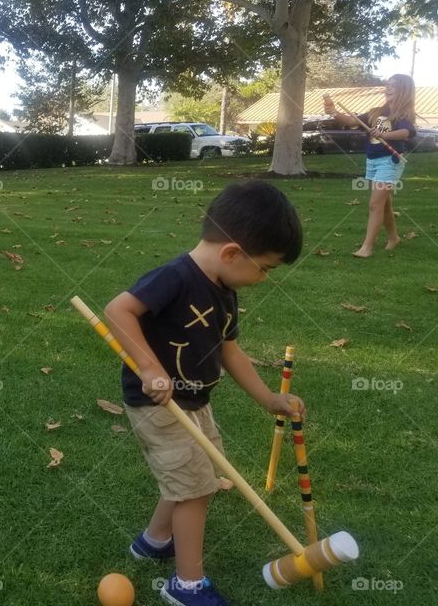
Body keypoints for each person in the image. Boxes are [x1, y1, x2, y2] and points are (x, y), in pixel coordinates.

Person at [104, 180, 305, 606]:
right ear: (232, 253)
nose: (265, 278)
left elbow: (230, 351)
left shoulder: (225, 291)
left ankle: (155, 541)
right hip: (159, 405)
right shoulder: (174, 277)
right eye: (265, 267)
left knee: (196, 478)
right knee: (194, 488)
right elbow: (117, 311)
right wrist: (151, 369)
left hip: (195, 401)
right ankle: (186, 586)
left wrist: (269, 398)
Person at [323, 74, 416, 258]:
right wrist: (333, 111)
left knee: (375, 204)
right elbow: (351, 121)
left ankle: (367, 247)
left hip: (390, 161)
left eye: (393, 86)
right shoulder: (375, 112)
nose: (387, 88)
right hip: (372, 161)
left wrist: (384, 135)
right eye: (387, 85)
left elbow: (407, 132)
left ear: (404, 90)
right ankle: (394, 238)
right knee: (385, 204)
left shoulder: (403, 114)